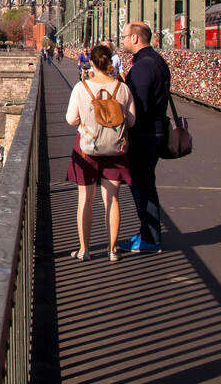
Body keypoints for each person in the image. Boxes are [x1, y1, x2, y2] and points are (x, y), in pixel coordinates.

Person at [65, 45, 136, 261]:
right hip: (115, 149)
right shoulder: (122, 89)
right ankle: (112, 250)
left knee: (85, 199)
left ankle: (84, 250)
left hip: (87, 148)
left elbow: (70, 119)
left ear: (92, 64)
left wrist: (87, 121)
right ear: (110, 63)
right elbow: (132, 121)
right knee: (112, 199)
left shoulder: (81, 88)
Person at [120, 21, 169, 253]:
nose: (122, 40)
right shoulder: (157, 62)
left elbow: (137, 106)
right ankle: (147, 233)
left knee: (142, 186)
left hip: (144, 135)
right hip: (156, 131)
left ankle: (150, 238)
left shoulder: (141, 68)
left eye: (124, 36)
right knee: (146, 184)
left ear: (136, 38)